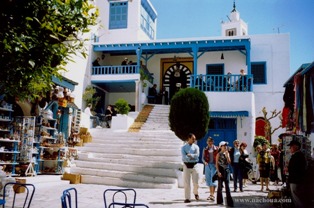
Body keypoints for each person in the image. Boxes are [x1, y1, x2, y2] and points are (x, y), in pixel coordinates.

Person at [181, 133, 200, 203]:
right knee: (187, 183)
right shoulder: (183, 147)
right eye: (193, 138)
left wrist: (190, 155)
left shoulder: (196, 147)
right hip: (186, 165)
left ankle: (196, 193)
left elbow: (197, 156)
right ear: (189, 138)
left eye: (194, 139)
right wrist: (192, 157)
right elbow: (184, 157)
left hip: (195, 165)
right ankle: (187, 198)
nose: (194, 140)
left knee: (196, 182)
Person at [287, 140, 306, 207]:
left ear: (296, 147)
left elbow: (296, 169)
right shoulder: (298, 155)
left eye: (291, 147)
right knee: (297, 198)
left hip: (296, 180)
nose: (290, 148)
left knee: (297, 199)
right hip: (296, 180)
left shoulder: (297, 156)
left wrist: (288, 169)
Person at [216, 141, 234, 207]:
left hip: (226, 170)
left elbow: (229, 162)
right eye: (224, 146)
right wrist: (218, 172)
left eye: (226, 146)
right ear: (221, 147)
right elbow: (216, 164)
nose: (225, 147)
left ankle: (229, 202)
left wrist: (227, 156)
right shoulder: (218, 154)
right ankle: (219, 200)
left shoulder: (227, 153)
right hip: (220, 170)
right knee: (220, 186)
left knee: (227, 186)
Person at [202, 137, 218, 201]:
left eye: (211, 141)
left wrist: (217, 163)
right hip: (207, 166)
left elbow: (218, 157)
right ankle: (211, 194)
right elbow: (202, 158)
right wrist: (204, 162)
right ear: (207, 142)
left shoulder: (216, 148)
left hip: (214, 166)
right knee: (208, 180)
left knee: (213, 180)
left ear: (213, 142)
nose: (210, 142)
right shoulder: (205, 149)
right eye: (209, 141)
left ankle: (212, 195)